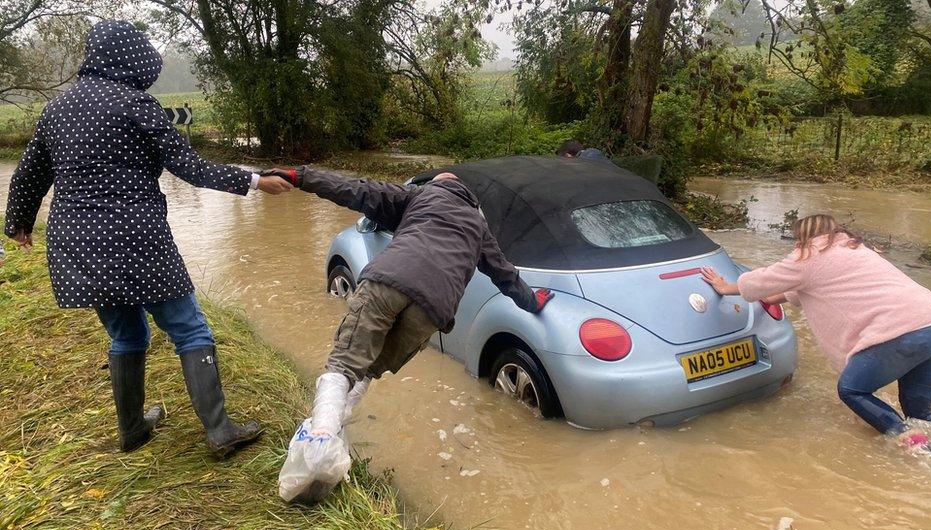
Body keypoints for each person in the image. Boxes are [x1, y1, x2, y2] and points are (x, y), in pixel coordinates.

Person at [3, 21, 294, 458]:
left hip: (77, 243)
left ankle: (133, 430)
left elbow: (28, 174)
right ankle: (220, 431)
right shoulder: (136, 104)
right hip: (135, 237)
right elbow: (189, 167)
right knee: (189, 328)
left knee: (125, 335)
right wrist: (255, 180)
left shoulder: (55, 110)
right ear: (127, 56)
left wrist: (19, 223)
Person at [265, 167, 554, 436]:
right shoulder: (478, 225)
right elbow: (505, 274)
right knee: (368, 371)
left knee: (343, 366)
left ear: (436, 185)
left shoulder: (418, 195)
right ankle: (331, 437)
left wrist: (299, 176)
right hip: (432, 310)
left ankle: (317, 445)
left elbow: (354, 188)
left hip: (387, 283)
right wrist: (533, 302)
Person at [701, 214, 931, 453]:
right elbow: (798, 290)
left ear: (803, 237)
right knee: (919, 414)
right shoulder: (855, 249)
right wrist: (766, 299)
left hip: (905, 332)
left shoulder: (808, 256)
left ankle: (914, 444)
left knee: (852, 390)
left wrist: (725, 287)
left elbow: (759, 282)